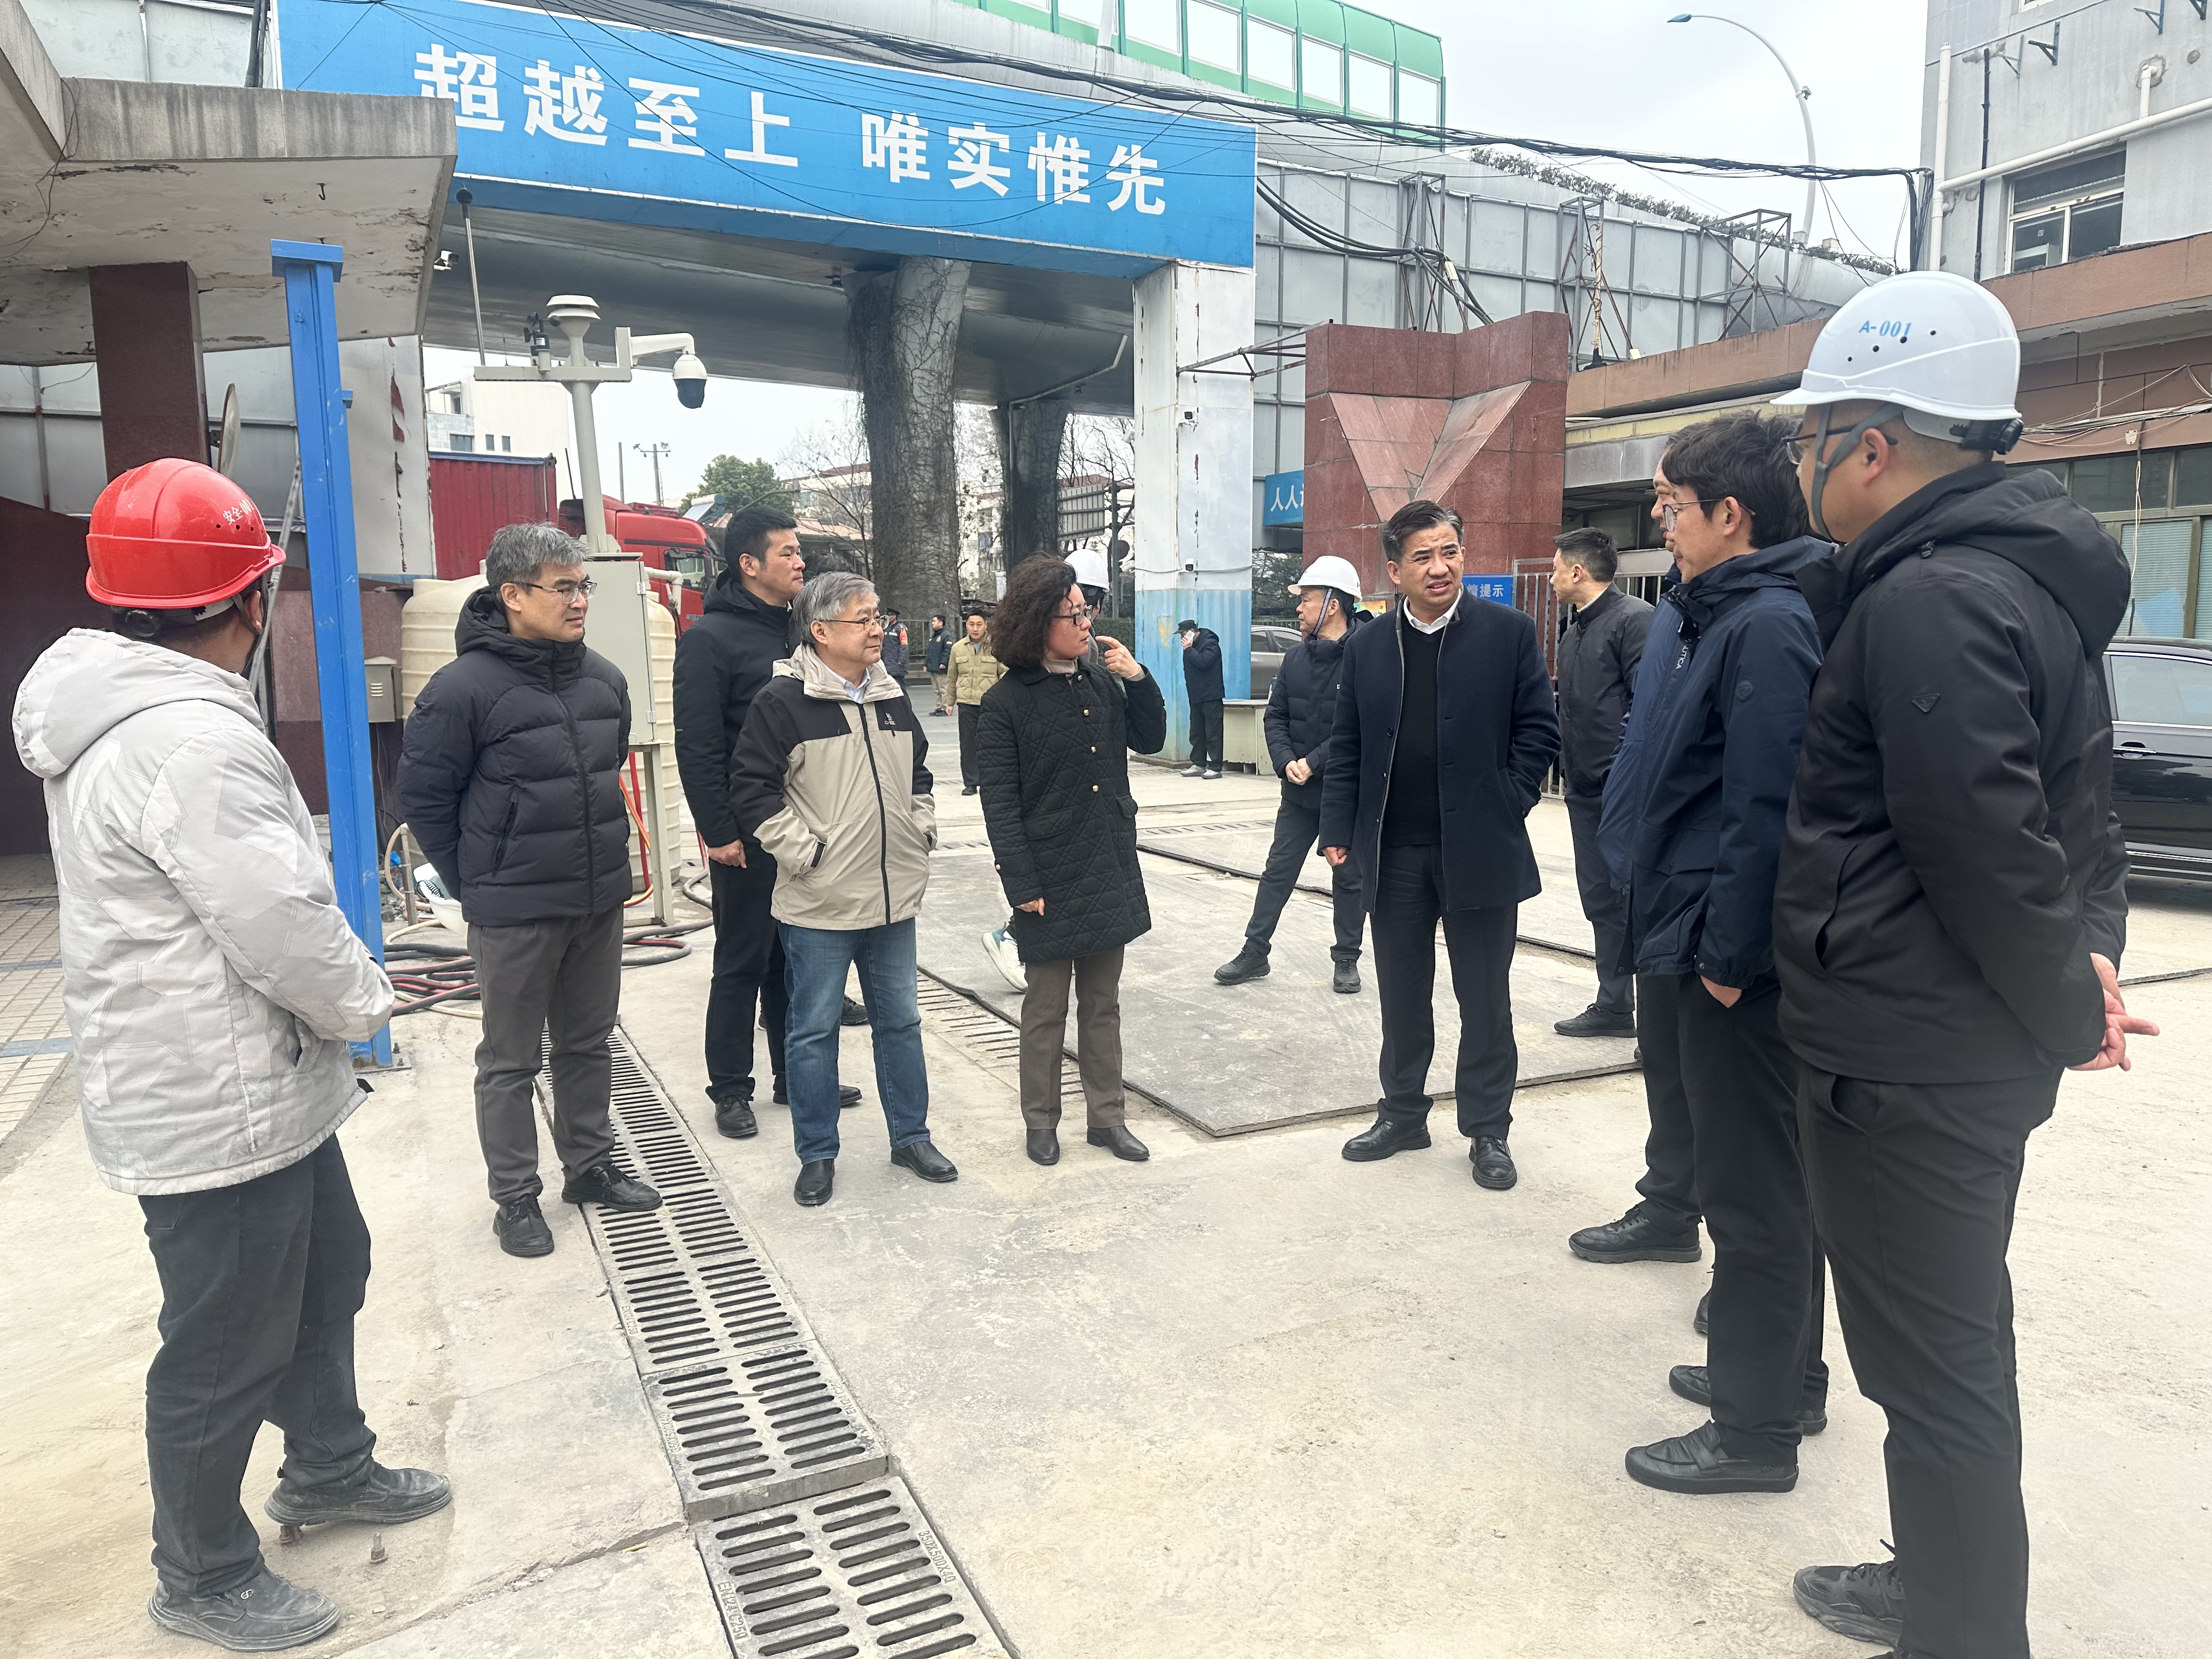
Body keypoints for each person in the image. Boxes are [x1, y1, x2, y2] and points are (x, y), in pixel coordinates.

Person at [1771, 270, 2153, 1659]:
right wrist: (2087, 968)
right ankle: (1939, 1587)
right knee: (1949, 1350)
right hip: (1951, 1047)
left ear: (1872, 444)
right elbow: (2080, 818)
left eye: (1813, 437)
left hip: (1908, 1063)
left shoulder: (1930, 596)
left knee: (1935, 1373)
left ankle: (1965, 1629)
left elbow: (1980, 836)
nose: (1803, 463)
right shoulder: (2023, 583)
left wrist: (2067, 1004)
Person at [13, 458, 447, 1652]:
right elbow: (280, 923)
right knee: (222, 1344)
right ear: (250, 601)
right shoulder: (188, 740)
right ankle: (201, 1572)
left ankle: (330, 1464)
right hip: (216, 1098)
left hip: (252, 1079)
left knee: (328, 1272)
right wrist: (367, 998)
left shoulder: (126, 715)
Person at [1569, 414, 1833, 1499]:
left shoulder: (1765, 623)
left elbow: (1768, 806)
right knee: (1757, 1178)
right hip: (1679, 924)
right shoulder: (1710, 611)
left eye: (1673, 504)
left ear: (1732, 514)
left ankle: (1753, 1430)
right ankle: (1782, 1380)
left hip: (1722, 952)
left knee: (1753, 1190)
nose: (1660, 521)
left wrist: (1729, 953)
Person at [398, 523, 661, 1259]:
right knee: (510, 1061)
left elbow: (606, 769)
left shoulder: (604, 680)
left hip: (596, 901)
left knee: (587, 1043)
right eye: (563, 588)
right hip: (513, 910)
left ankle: (590, 1166)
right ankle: (515, 1197)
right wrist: (479, 881)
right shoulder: (462, 690)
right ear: (512, 595)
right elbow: (424, 798)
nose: (580, 601)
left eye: (584, 586)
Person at [1320, 500, 1559, 1191]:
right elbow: (1348, 745)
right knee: (1402, 994)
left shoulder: (1508, 633)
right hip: (1395, 851)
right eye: (1422, 556)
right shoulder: (1368, 646)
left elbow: (1540, 731)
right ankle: (1402, 1114)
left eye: (1449, 551)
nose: (1440, 567)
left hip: (1479, 850)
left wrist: (1506, 800)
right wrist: (1337, 829)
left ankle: (1488, 1130)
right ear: (1395, 571)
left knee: (1484, 998)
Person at [727, 571, 953, 1207]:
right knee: (813, 1032)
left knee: (900, 1023)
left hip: (893, 899)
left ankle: (911, 1138)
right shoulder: (783, 701)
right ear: (821, 631)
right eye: (864, 619)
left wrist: (920, 828)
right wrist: (807, 853)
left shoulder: (890, 694)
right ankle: (817, 1154)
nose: (878, 629)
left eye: (879, 616)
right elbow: (751, 789)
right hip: (820, 903)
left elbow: (919, 772)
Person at [672, 505, 860, 1142]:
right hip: (748, 832)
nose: (800, 562)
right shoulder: (711, 639)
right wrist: (719, 830)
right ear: (749, 564)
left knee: (798, 960)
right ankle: (731, 1088)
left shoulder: (801, 632)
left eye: (799, 551)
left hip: (807, 828)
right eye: (788, 552)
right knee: (742, 962)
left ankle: (796, 1075)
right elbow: (698, 744)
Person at [977, 558, 1167, 1166]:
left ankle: (1107, 1119)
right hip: (1048, 876)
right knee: (1046, 1008)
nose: (1087, 623)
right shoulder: (1005, 703)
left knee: (1103, 1004)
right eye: (1074, 614)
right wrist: (1021, 883)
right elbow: (1000, 804)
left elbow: (1151, 739)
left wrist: (1139, 679)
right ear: (1040, 623)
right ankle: (1041, 1121)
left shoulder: (1101, 681)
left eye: (1088, 611)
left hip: (1106, 863)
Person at [1214, 555, 1369, 994]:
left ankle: (1346, 959)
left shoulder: (1366, 658)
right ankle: (1254, 951)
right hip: (1298, 793)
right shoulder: (1296, 658)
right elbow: (1275, 716)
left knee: (1348, 877)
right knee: (1278, 871)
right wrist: (1285, 762)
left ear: (1333, 605)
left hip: (1345, 792)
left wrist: (1314, 761)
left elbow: (1362, 726)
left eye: (1307, 600)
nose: (1299, 608)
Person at [1549, 527, 1650, 1039]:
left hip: (1624, 793)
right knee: (1601, 901)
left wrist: (1620, 775)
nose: (1551, 579)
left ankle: (1655, 1021)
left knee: (1638, 901)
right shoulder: (1574, 632)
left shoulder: (1635, 620)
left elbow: (1648, 707)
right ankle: (1614, 1006)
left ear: (1577, 571)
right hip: (1584, 791)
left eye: (1555, 569)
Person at [947, 609, 1005, 795]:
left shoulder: (996, 646)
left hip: (990, 704)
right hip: (966, 703)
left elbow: (1004, 672)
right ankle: (971, 782)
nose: (975, 628)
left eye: (979, 625)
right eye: (972, 624)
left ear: (985, 625)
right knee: (968, 744)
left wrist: (1001, 697)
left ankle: (990, 781)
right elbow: (952, 676)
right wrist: (949, 702)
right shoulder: (958, 648)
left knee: (991, 744)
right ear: (966, 625)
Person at [1177, 619, 1224, 779]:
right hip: (1196, 695)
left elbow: (1203, 662)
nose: (1182, 638)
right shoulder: (1190, 647)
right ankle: (1198, 764)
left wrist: (1189, 649)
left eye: (1184, 634)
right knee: (1197, 732)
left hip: (1211, 695)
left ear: (1192, 632)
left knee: (1213, 732)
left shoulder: (1210, 643)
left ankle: (1216, 767)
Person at [924, 612, 953, 714]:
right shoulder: (935, 636)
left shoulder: (946, 635)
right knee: (937, 690)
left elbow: (948, 650)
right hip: (933, 667)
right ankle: (939, 707)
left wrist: (944, 663)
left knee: (943, 689)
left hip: (940, 667)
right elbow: (930, 652)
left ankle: (945, 708)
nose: (932, 623)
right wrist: (926, 664)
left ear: (941, 623)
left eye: (934, 621)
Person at [880, 606, 910, 685]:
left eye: (889, 615)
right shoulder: (887, 628)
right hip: (888, 662)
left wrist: (901, 661)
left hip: (897, 663)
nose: (888, 618)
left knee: (900, 685)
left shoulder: (901, 628)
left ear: (894, 616)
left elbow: (904, 646)